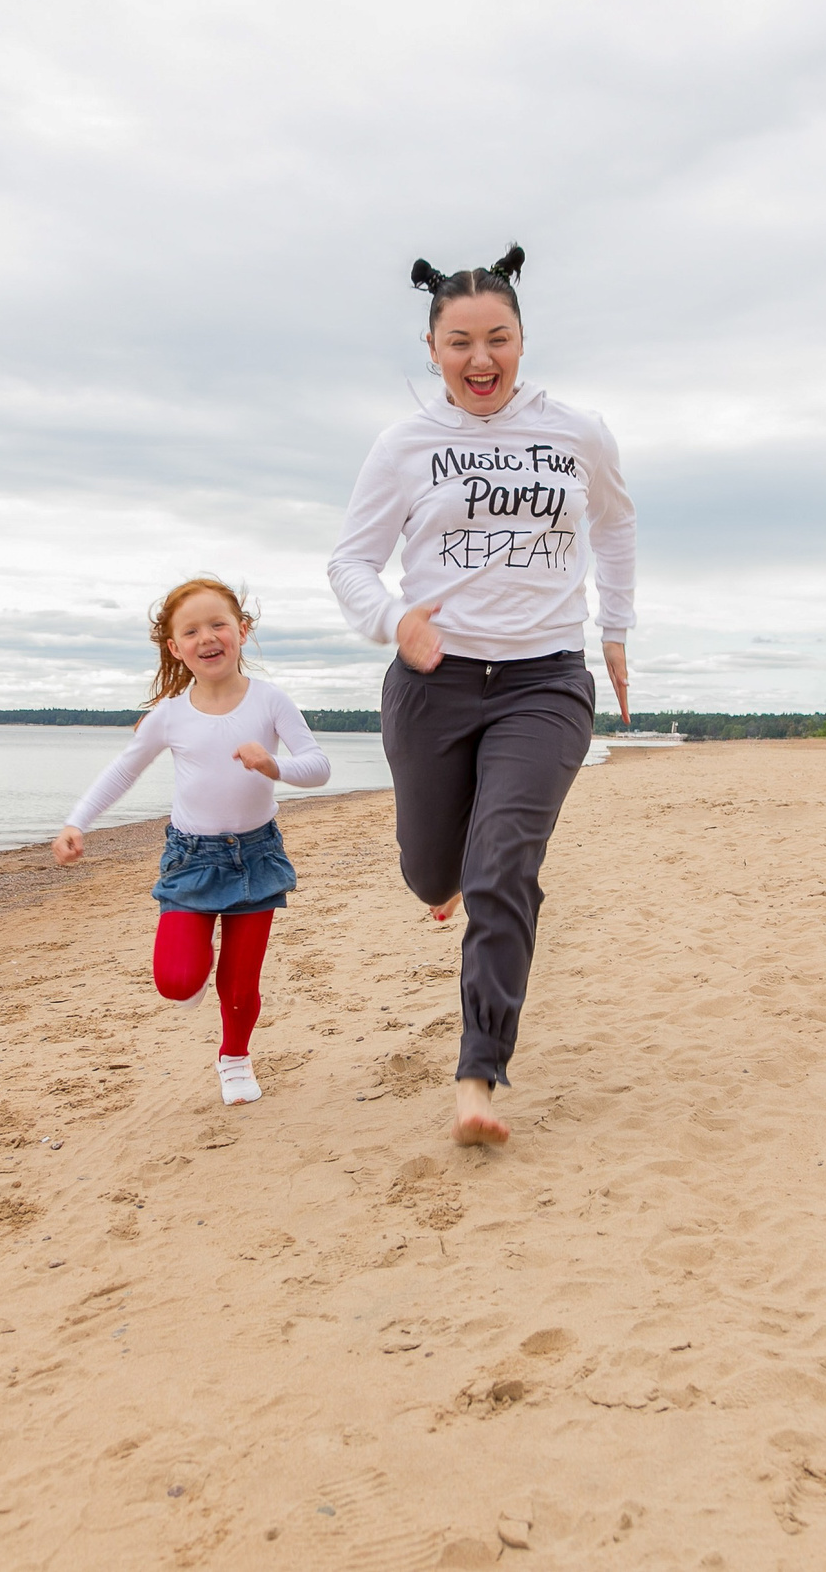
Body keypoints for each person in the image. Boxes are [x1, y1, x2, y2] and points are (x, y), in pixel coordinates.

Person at [328, 245, 636, 1146]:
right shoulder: (405, 444)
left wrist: (614, 629)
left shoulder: (578, 432)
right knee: (434, 872)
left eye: (497, 337)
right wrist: (393, 620)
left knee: (504, 866)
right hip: (436, 679)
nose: (480, 358)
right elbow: (350, 562)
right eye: (459, 341)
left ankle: (478, 1075)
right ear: (433, 348)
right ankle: (448, 873)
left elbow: (616, 526)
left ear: (522, 340)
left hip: (546, 679)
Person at [52, 578, 332, 1106]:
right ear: (175, 647)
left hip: (255, 855)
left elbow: (318, 766)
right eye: (191, 631)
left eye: (218, 624)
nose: (207, 637)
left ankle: (235, 1058)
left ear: (242, 631)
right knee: (177, 983)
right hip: (191, 858)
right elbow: (124, 769)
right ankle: (195, 964)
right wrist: (77, 822)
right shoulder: (170, 715)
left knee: (240, 982)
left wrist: (273, 765)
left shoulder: (271, 701)